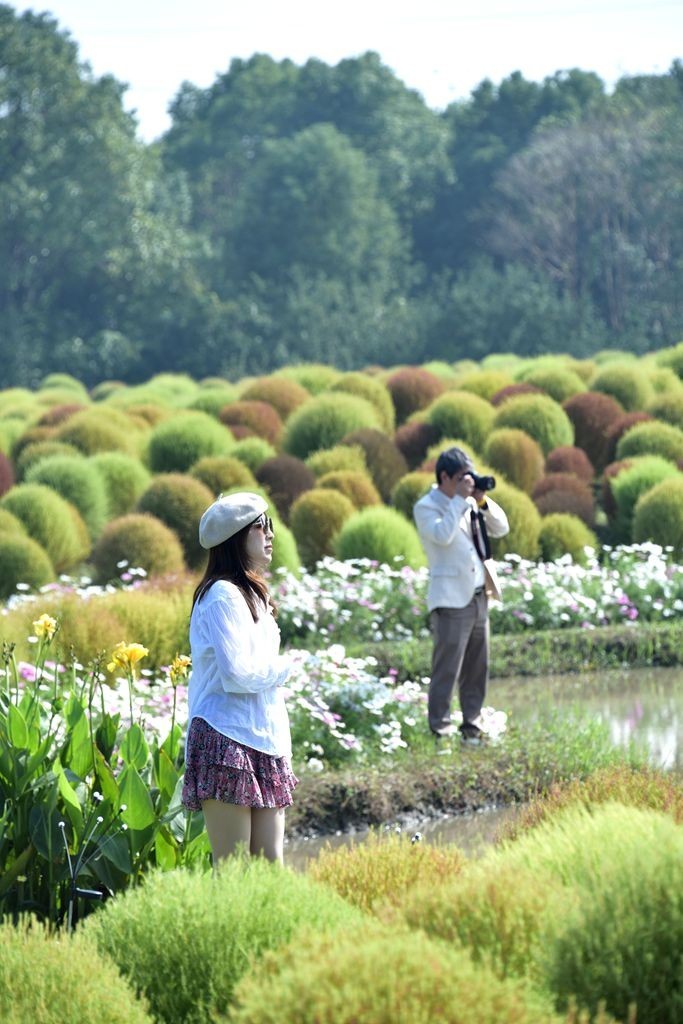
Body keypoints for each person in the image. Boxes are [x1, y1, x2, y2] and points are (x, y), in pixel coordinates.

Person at [181, 491, 297, 865]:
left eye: (269, 526)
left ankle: (276, 928)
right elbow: (237, 674)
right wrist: (286, 668)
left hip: (262, 735)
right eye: (261, 527)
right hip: (225, 737)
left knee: (269, 863)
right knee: (233, 867)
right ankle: (227, 927)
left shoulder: (253, 595)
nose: (270, 535)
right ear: (236, 538)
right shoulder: (222, 596)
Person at [413, 447, 509, 743]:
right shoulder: (427, 506)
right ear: (445, 477)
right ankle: (440, 732)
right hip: (451, 599)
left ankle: (472, 728)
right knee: (447, 669)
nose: (468, 483)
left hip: (480, 595)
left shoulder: (468, 502)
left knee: (477, 668)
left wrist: (481, 500)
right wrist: (459, 501)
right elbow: (442, 536)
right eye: (461, 478)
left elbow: (501, 528)